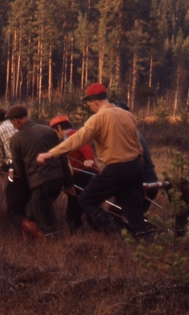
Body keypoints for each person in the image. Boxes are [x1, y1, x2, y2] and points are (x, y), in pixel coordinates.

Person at [37, 83, 148, 235]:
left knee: (86, 200)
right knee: (133, 209)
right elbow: (137, 143)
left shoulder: (99, 118)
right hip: (136, 167)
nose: (90, 108)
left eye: (89, 104)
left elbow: (77, 139)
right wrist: (139, 162)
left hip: (117, 168)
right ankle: (143, 240)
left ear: (95, 101)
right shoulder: (127, 115)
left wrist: (50, 154)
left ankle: (119, 233)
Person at [6, 105, 67, 238]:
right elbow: (62, 156)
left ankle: (55, 245)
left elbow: (18, 166)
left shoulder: (16, 139)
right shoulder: (49, 131)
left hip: (40, 182)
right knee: (32, 211)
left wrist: (28, 182)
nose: (12, 125)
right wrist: (68, 183)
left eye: (12, 122)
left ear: (17, 121)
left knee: (44, 220)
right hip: (57, 180)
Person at [49, 114, 96, 234]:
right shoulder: (70, 137)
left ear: (59, 128)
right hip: (87, 174)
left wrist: (89, 159)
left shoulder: (72, 134)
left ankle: (77, 235)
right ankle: (97, 232)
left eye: (54, 131)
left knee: (73, 210)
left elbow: (85, 146)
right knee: (87, 206)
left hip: (83, 174)